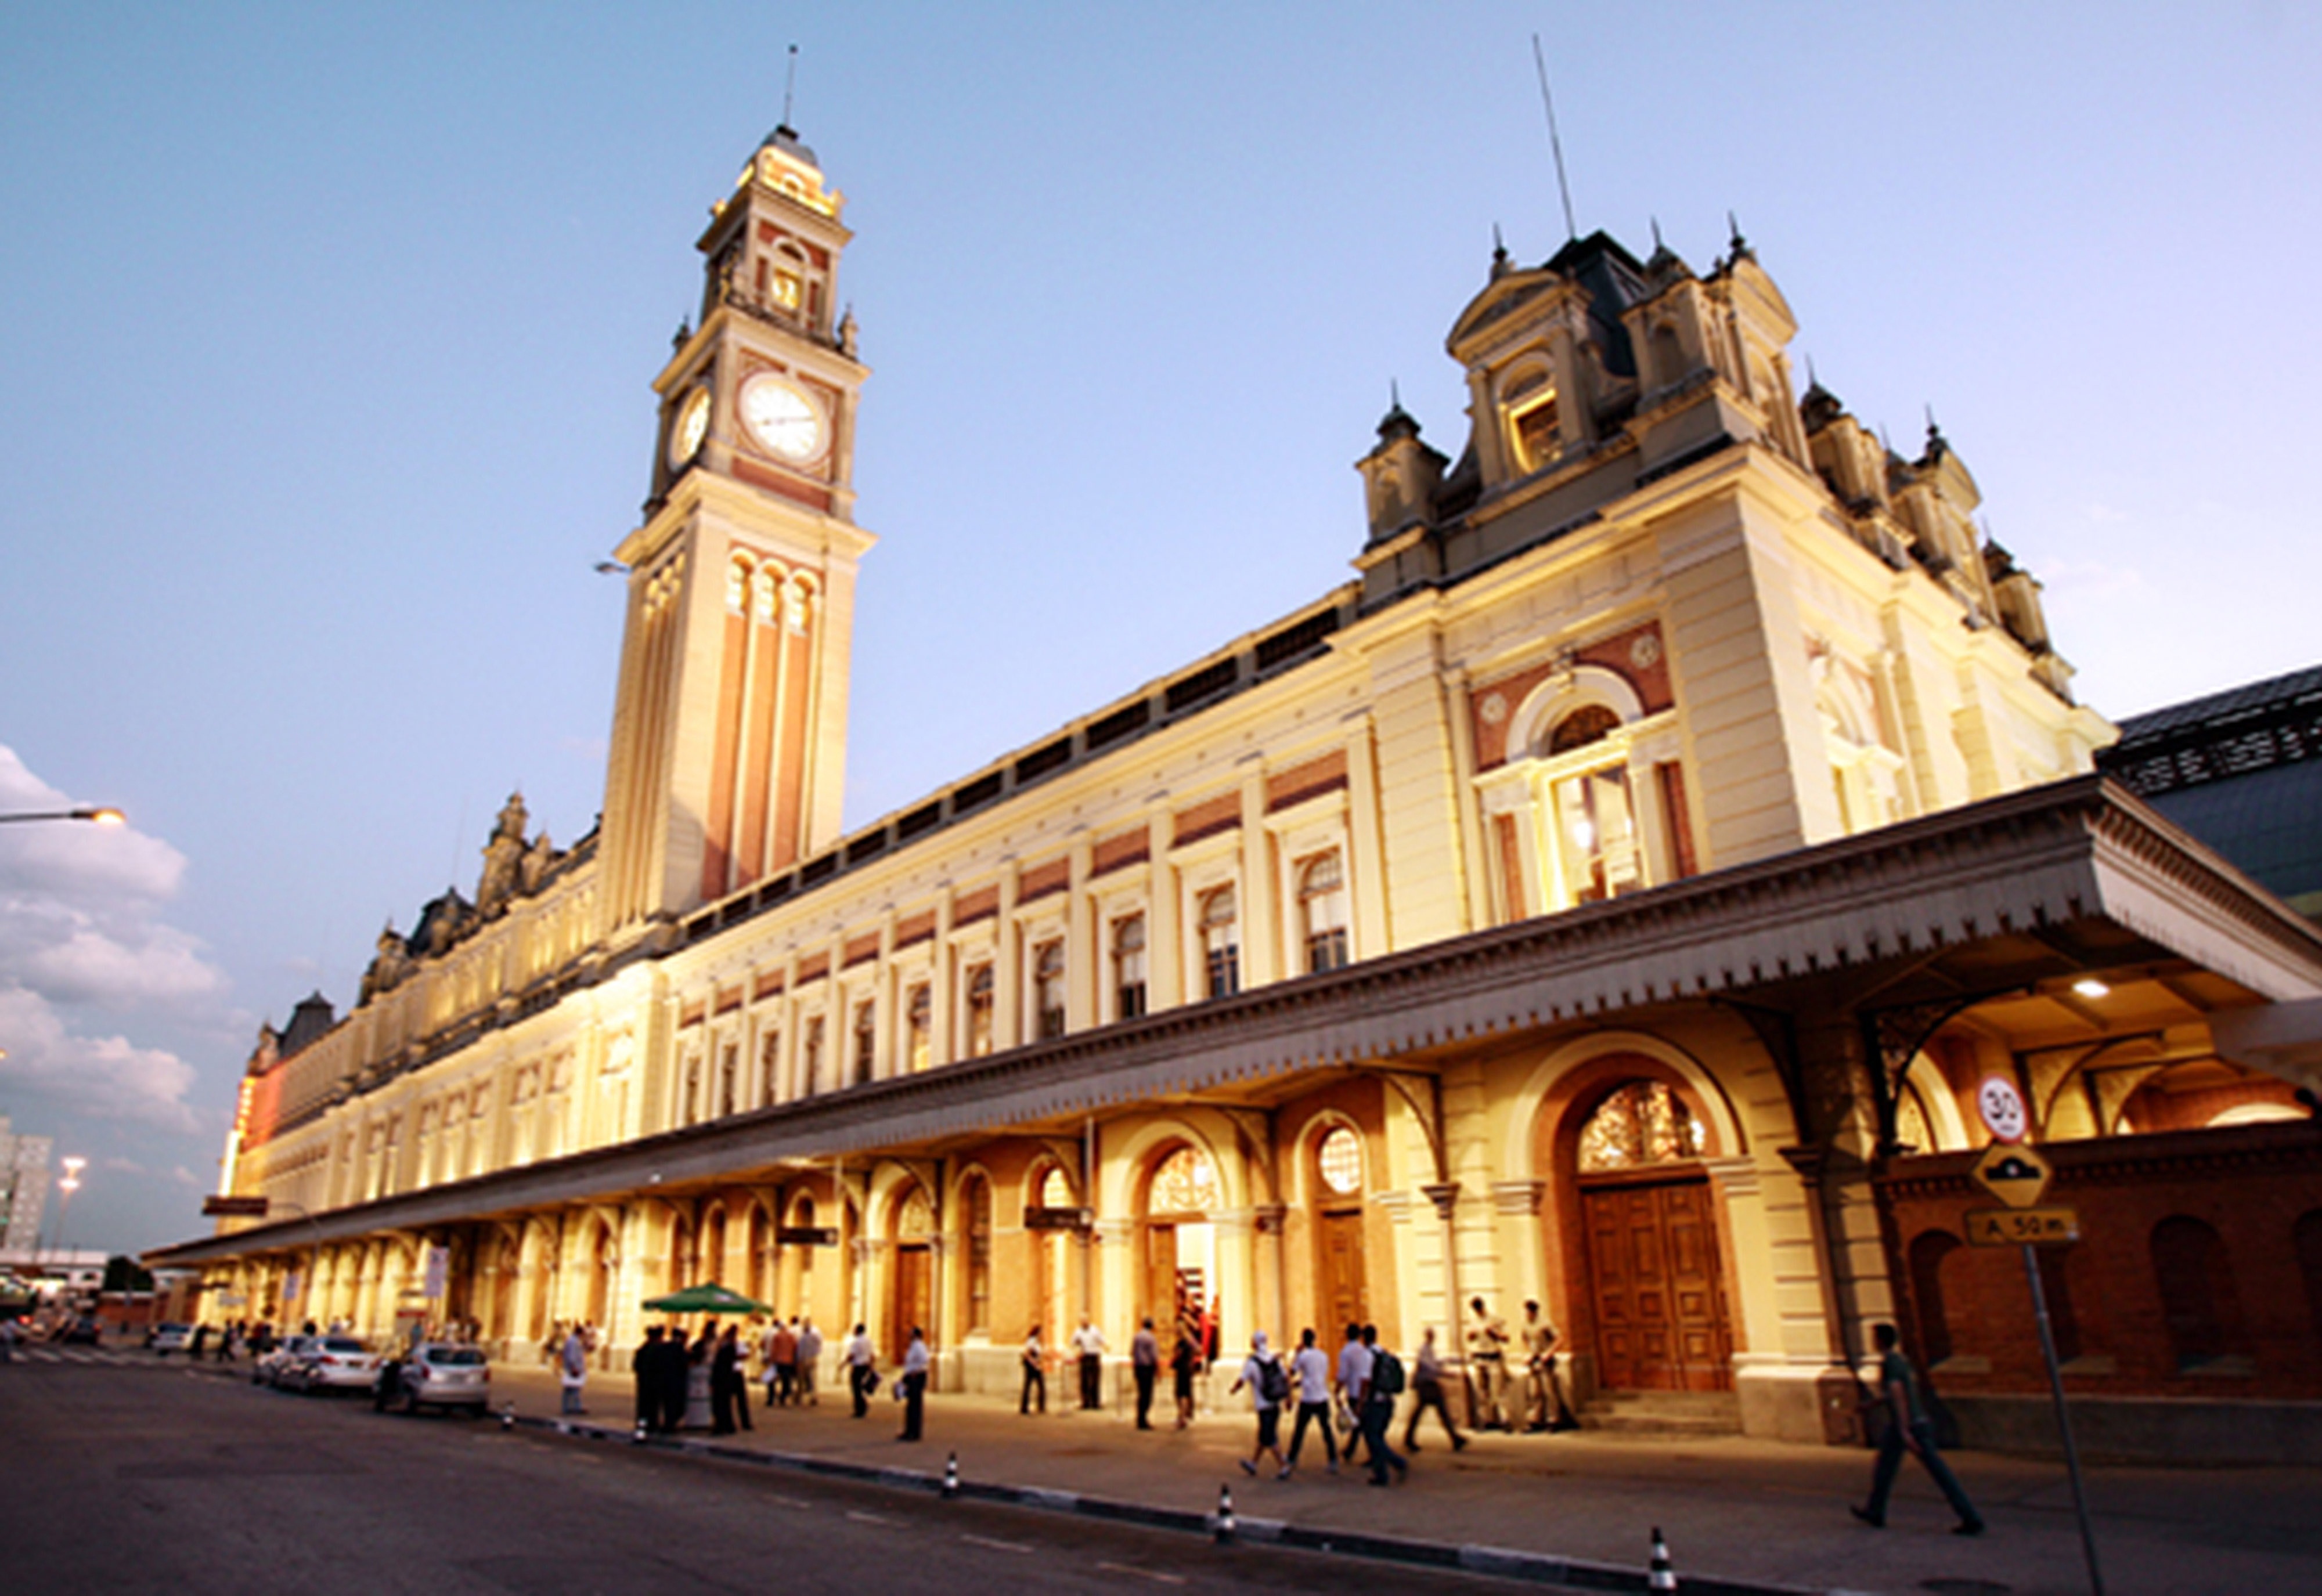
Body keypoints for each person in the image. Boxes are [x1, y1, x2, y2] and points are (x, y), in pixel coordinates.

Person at [1853, 1323, 1984, 1536]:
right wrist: (1872, 1405)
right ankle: (1875, 1510)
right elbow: (1897, 1393)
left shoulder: (1890, 1363)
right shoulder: (1901, 1361)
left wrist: (1905, 1430)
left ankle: (1970, 1517)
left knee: (1937, 1472)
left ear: (1880, 1341)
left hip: (1909, 1425)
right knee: (1885, 1468)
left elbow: (1898, 1394)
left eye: (1874, 1337)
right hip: (1910, 1423)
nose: (1872, 1341)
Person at [1227, 1331, 1290, 1480]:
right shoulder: (1275, 1360)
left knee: (1270, 1438)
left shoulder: (1252, 1362)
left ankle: (1283, 1466)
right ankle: (1253, 1463)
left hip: (1263, 1405)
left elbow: (1242, 1380)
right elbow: (1286, 1377)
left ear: (1254, 1343)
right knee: (1264, 1436)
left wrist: (1234, 1390)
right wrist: (1288, 1397)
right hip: (1275, 1403)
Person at [1355, 1324, 1409, 1486]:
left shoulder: (1367, 1355)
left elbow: (1366, 1381)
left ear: (1364, 1338)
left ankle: (1398, 1463)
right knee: (1376, 1437)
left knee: (1373, 1438)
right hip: (1388, 1400)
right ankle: (1381, 1475)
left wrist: (1360, 1402)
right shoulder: (1384, 1354)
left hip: (1375, 1401)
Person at [1285, 1327, 1339, 1475]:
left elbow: (1292, 1372)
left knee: (1300, 1430)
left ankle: (1292, 1457)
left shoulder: (1303, 1356)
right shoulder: (1323, 1356)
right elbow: (1316, 1375)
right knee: (1326, 1430)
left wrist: (1296, 1354)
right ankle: (1333, 1459)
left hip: (1308, 1398)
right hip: (1322, 1395)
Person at [1402, 1326, 1466, 1452]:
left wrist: (1450, 1362)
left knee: (1427, 1411)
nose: (1433, 1337)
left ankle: (1454, 1438)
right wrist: (1446, 1374)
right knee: (1435, 1411)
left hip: (1428, 1383)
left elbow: (1435, 1363)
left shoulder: (1429, 1350)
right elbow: (1430, 1367)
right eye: (1431, 1335)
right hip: (1426, 1384)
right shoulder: (1424, 1350)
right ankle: (1454, 1438)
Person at [1465, 1296, 1509, 1431]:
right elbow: (1469, 1338)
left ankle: (1504, 1419)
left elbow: (1506, 1338)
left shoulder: (1495, 1319)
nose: (1477, 1310)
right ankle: (1486, 1419)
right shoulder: (1473, 1321)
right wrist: (1471, 1335)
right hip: (1479, 1356)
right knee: (1482, 1391)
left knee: (1498, 1390)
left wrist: (1494, 1332)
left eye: (1479, 1307)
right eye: (1475, 1308)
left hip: (1493, 1357)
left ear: (1483, 1306)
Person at [1334, 1322, 1370, 1467]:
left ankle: (1376, 1454)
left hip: (1354, 1391)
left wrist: (1337, 1390)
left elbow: (1343, 1373)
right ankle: (1350, 1450)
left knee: (1360, 1423)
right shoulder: (1364, 1350)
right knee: (1359, 1422)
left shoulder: (1346, 1352)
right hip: (1365, 1390)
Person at [712, 1324, 752, 1434]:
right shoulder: (727, 1346)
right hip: (732, 1373)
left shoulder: (734, 1345)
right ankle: (731, 1424)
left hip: (732, 1373)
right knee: (730, 1400)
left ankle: (736, 1424)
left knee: (731, 1400)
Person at [897, 1326, 930, 1441]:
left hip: (916, 1377)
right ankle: (909, 1430)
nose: (908, 1336)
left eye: (910, 1334)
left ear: (915, 1335)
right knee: (911, 1406)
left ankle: (914, 1433)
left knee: (915, 1406)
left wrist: (916, 1372)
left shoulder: (919, 1346)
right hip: (911, 1377)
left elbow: (924, 1360)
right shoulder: (913, 1346)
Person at [632, 1326, 667, 1433]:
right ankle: (649, 1426)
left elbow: (636, 1366)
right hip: (652, 1383)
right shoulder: (657, 1350)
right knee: (651, 1406)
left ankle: (644, 1427)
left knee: (645, 1407)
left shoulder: (643, 1349)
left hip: (645, 1383)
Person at [1131, 1316, 1160, 1430]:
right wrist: (1158, 1371)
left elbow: (1132, 1351)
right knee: (1147, 1395)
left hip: (1138, 1367)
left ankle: (1140, 1418)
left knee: (1141, 1393)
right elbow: (1154, 1356)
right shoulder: (1151, 1339)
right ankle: (1143, 1419)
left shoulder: (1137, 1336)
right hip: (1148, 1368)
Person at [1072, 1317, 1106, 1410]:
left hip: (1094, 1355)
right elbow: (1073, 1342)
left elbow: (1102, 1340)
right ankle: (1085, 1402)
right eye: (1082, 1322)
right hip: (1085, 1356)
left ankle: (1096, 1402)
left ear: (1089, 1321)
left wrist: (1104, 1345)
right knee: (1084, 1380)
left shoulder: (1095, 1330)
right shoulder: (1078, 1331)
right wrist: (1077, 1346)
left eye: (1086, 1321)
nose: (1084, 1323)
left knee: (1095, 1380)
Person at [1170, 1324, 1199, 1428]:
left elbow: (1178, 1355)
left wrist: (1173, 1361)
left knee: (1180, 1394)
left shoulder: (1181, 1343)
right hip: (1189, 1368)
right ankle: (1183, 1416)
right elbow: (1198, 1349)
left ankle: (1182, 1418)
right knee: (1186, 1393)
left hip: (1182, 1369)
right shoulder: (1190, 1340)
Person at [845, 1323, 876, 1418]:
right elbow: (872, 1355)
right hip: (866, 1366)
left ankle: (860, 1409)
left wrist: (843, 1364)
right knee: (862, 1387)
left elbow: (852, 1355)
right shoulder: (869, 1341)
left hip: (858, 1366)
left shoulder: (856, 1342)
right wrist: (871, 1366)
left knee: (856, 1389)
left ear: (858, 1331)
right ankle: (863, 1405)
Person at [559, 1321, 589, 1416]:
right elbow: (571, 1355)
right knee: (574, 1388)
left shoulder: (572, 1340)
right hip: (573, 1368)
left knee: (570, 1389)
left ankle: (568, 1407)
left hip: (573, 1367)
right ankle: (575, 1407)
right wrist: (574, 1367)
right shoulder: (573, 1341)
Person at [1020, 1324, 1047, 1414]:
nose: (1043, 1335)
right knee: (1028, 1385)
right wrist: (1034, 1362)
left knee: (1041, 1385)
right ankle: (1024, 1407)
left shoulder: (1039, 1342)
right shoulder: (1032, 1341)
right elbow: (1027, 1354)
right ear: (1038, 1333)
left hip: (1037, 1366)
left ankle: (1041, 1406)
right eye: (1042, 1333)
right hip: (1031, 1366)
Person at [795, 1317, 821, 1406]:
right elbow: (819, 1345)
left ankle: (799, 1397)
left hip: (804, 1359)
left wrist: (798, 1360)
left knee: (801, 1379)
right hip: (812, 1358)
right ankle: (813, 1397)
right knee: (812, 1379)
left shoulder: (803, 1338)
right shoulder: (815, 1336)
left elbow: (800, 1350)